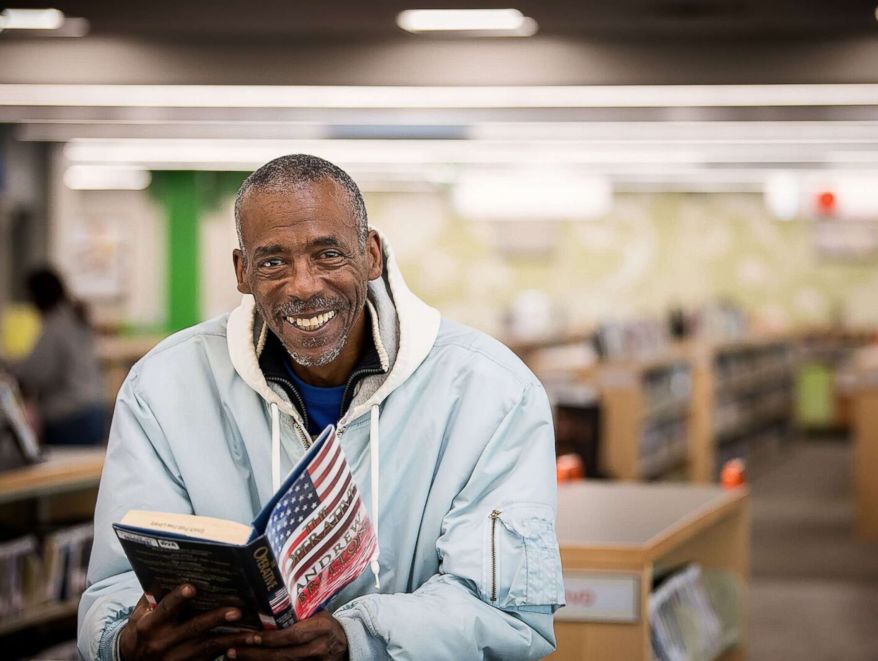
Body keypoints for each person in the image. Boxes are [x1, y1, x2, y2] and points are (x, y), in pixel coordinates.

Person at [78, 154, 565, 660]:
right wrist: (123, 644)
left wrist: (356, 642)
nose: (304, 286)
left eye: (328, 255)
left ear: (371, 254)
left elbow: (507, 616)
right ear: (242, 271)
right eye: (272, 262)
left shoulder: (493, 393)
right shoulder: (163, 388)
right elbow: (114, 589)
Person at [4, 267, 105, 445]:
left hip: (69, 417)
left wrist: (10, 367)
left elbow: (36, 373)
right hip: (93, 409)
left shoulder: (55, 326)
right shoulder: (75, 318)